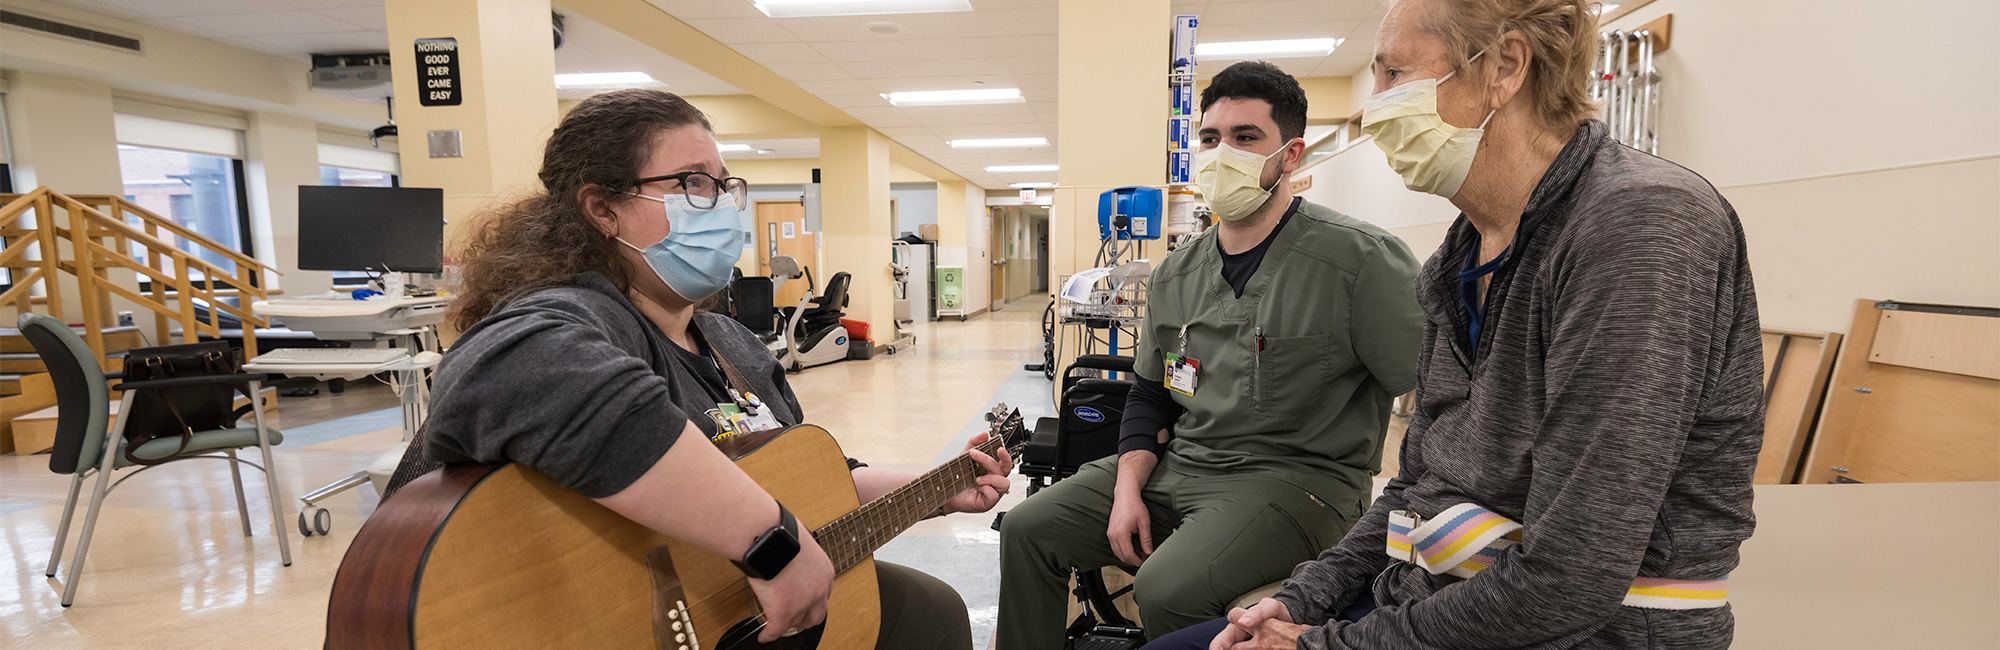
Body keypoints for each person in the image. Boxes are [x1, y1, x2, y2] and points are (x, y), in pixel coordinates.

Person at [1145, 1, 1764, 649]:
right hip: (1439, 595)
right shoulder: (1462, 256)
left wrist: (1320, 645)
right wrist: (1300, 598)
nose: (1376, 107)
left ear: (1505, 66)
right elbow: (1416, 484)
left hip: (1589, 630)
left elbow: (1573, 578)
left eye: (1392, 75)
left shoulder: (1639, 226)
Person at [400, 88, 1012, 649]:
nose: (719, 205)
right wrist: (768, 543)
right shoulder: (580, 314)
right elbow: (509, 372)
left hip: (730, 604)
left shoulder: (732, 344)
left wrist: (934, 489)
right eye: (692, 183)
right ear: (601, 209)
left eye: (724, 185)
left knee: (926, 609)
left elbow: (807, 483)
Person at [996, 61, 1425, 648]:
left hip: (1297, 483)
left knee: (1170, 587)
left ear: (1291, 155)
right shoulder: (1178, 272)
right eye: (1210, 138)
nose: (1223, 153)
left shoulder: (1361, 261)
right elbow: (1150, 394)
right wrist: (1126, 491)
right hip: (1186, 466)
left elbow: (1439, 393)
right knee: (1027, 527)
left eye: (1246, 138)